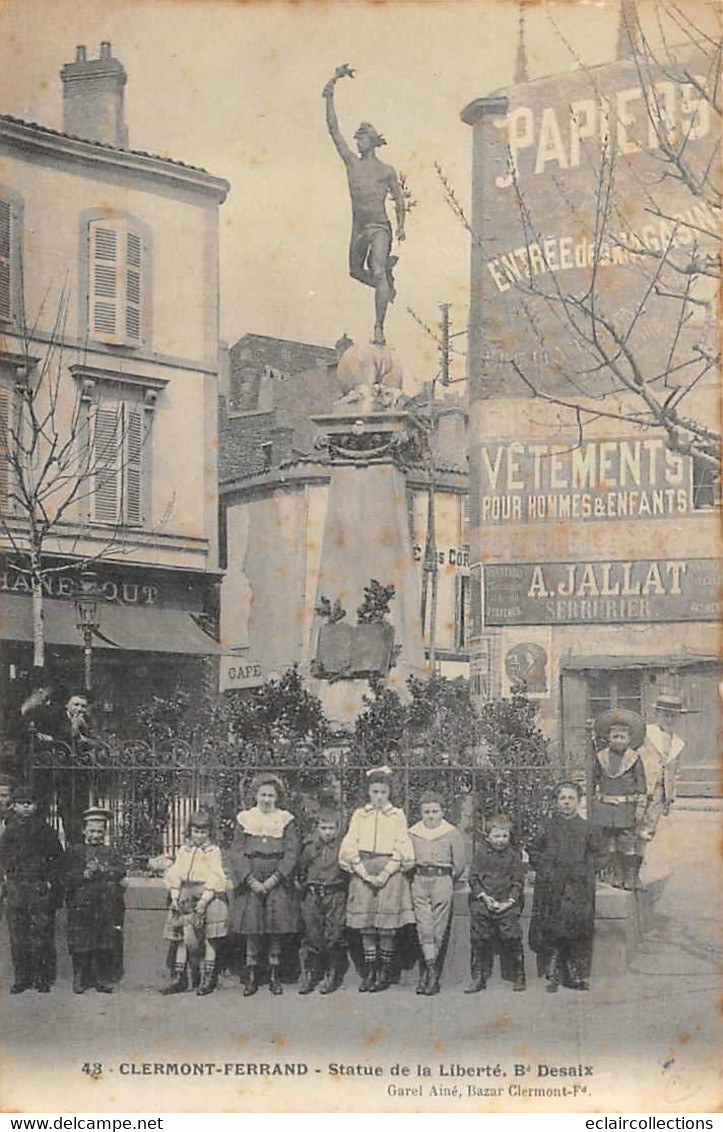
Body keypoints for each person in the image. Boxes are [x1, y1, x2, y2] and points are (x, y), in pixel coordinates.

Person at [323, 64, 406, 347]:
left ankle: (379, 327)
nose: (357, 142)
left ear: (372, 141)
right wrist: (330, 93)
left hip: (380, 227)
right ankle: (385, 285)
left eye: (361, 138)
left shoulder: (386, 170)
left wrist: (402, 226)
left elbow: (399, 198)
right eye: (356, 138)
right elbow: (334, 132)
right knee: (355, 271)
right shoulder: (352, 164)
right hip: (358, 227)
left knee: (378, 270)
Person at [339, 765, 415, 993]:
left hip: (388, 873)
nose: (379, 797)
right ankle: (370, 970)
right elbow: (350, 843)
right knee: (367, 926)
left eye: (383, 792)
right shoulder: (360, 815)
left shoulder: (397, 815)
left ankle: (385, 970)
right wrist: (362, 871)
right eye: (375, 792)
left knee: (386, 926)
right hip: (364, 870)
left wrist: (385, 872)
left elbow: (402, 846)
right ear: (368, 792)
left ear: (389, 792)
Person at [227, 774, 301, 997]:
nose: (267, 799)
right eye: (263, 794)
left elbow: (291, 852)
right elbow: (237, 851)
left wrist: (274, 879)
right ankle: (251, 975)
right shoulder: (245, 819)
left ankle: (273, 974)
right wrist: (249, 879)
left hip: (276, 878)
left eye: (271, 795)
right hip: (251, 877)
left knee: (274, 926)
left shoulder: (285, 819)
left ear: (277, 797)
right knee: (252, 926)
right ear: (255, 796)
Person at [528, 781, 603, 993]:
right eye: (563, 798)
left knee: (576, 927)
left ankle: (574, 972)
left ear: (578, 801)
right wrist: (546, 870)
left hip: (578, 887)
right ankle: (553, 973)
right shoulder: (547, 826)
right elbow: (533, 850)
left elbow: (600, 855)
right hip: (552, 886)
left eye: (571, 798)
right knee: (553, 927)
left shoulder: (587, 828)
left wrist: (586, 870)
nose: (567, 802)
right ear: (556, 802)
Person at [0, 784, 64, 994]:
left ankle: (42, 978)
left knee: (41, 934)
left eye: (30, 803)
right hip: (16, 887)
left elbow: (57, 858)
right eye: (21, 804)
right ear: (14, 806)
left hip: (38, 887)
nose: (26, 808)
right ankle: (22, 978)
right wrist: (6, 878)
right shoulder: (9, 830)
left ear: (36, 806)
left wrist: (48, 880)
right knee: (18, 935)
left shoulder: (46, 831)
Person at [160, 811, 230, 997]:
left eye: (203, 832)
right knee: (182, 937)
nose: (199, 836)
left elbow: (215, 876)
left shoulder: (213, 851)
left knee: (209, 938)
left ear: (209, 833)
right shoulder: (184, 850)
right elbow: (176, 873)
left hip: (208, 894)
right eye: (195, 831)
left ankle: (208, 977)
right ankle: (180, 977)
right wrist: (175, 896)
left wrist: (205, 900)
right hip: (186, 893)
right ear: (189, 831)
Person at [408, 792, 466, 996]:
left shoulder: (450, 832)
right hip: (420, 880)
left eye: (435, 811)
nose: (431, 816)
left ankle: (432, 974)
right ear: (420, 813)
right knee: (424, 926)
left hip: (442, 880)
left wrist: (448, 879)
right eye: (426, 812)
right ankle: (428, 970)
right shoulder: (413, 832)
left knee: (438, 927)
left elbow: (459, 863)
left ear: (442, 812)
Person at [64, 807, 126, 994]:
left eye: (100, 831)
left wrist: (103, 870)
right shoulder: (75, 851)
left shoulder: (111, 852)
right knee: (81, 940)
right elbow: (66, 876)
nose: (96, 835)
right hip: (81, 903)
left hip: (104, 904)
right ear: (84, 831)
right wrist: (84, 874)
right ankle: (80, 977)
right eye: (92, 830)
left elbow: (120, 871)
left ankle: (100, 978)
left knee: (102, 940)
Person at [465, 814, 526, 994]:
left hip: (507, 904)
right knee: (479, 938)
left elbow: (518, 882)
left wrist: (509, 902)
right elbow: (473, 878)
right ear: (488, 836)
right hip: (484, 902)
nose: (500, 840)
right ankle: (478, 976)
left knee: (512, 937)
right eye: (496, 836)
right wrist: (484, 897)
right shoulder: (481, 854)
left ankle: (519, 974)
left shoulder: (513, 857)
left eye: (505, 836)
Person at [592, 708, 648, 890]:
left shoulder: (634, 758)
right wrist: (592, 801)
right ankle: (616, 874)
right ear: (608, 738)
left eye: (622, 737)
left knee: (628, 841)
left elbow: (641, 784)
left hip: (627, 807)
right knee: (610, 842)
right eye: (615, 737)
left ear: (629, 739)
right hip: (607, 807)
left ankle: (630, 876)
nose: (618, 741)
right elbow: (593, 779)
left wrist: (640, 807)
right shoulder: (600, 757)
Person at [297, 808, 349, 996]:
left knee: (334, 933)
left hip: (334, 893)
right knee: (312, 933)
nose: (328, 832)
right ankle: (312, 973)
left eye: (331, 828)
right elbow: (301, 869)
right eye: (324, 827)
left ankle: (333, 973)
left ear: (338, 829)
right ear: (317, 828)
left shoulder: (343, 847)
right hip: (313, 894)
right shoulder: (310, 846)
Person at [639, 694, 686, 842]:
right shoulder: (646, 732)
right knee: (636, 819)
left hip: (661, 788)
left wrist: (671, 793)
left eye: (673, 716)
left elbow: (674, 771)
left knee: (651, 823)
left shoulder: (678, 742)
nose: (669, 720)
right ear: (656, 714)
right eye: (666, 716)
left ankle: (642, 854)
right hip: (642, 783)